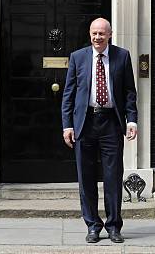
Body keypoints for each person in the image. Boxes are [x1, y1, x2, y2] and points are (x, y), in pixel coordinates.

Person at [61, 18, 138, 243]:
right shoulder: (78, 57)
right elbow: (69, 94)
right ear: (90, 34)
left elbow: (129, 92)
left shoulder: (122, 56)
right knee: (86, 178)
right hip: (84, 124)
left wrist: (131, 120)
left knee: (113, 176)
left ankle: (114, 226)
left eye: (102, 34)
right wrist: (67, 125)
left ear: (110, 35)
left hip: (111, 123)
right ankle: (93, 225)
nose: (97, 37)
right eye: (94, 33)